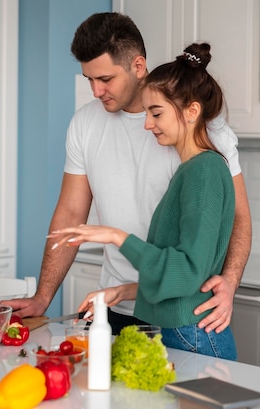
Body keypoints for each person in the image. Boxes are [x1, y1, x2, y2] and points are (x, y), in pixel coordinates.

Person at [2, 12, 251, 334]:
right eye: (89, 79)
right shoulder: (85, 123)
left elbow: (239, 216)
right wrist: (43, 296)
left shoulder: (202, 129)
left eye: (105, 79)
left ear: (137, 65)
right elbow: (70, 213)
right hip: (114, 303)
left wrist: (229, 282)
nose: (95, 91)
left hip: (182, 308)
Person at [48, 43, 237, 359]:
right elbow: (184, 277)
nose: (147, 124)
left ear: (192, 111)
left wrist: (116, 237)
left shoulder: (203, 172)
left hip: (192, 336)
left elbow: (187, 273)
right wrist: (123, 291)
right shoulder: (191, 170)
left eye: (156, 113)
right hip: (178, 328)